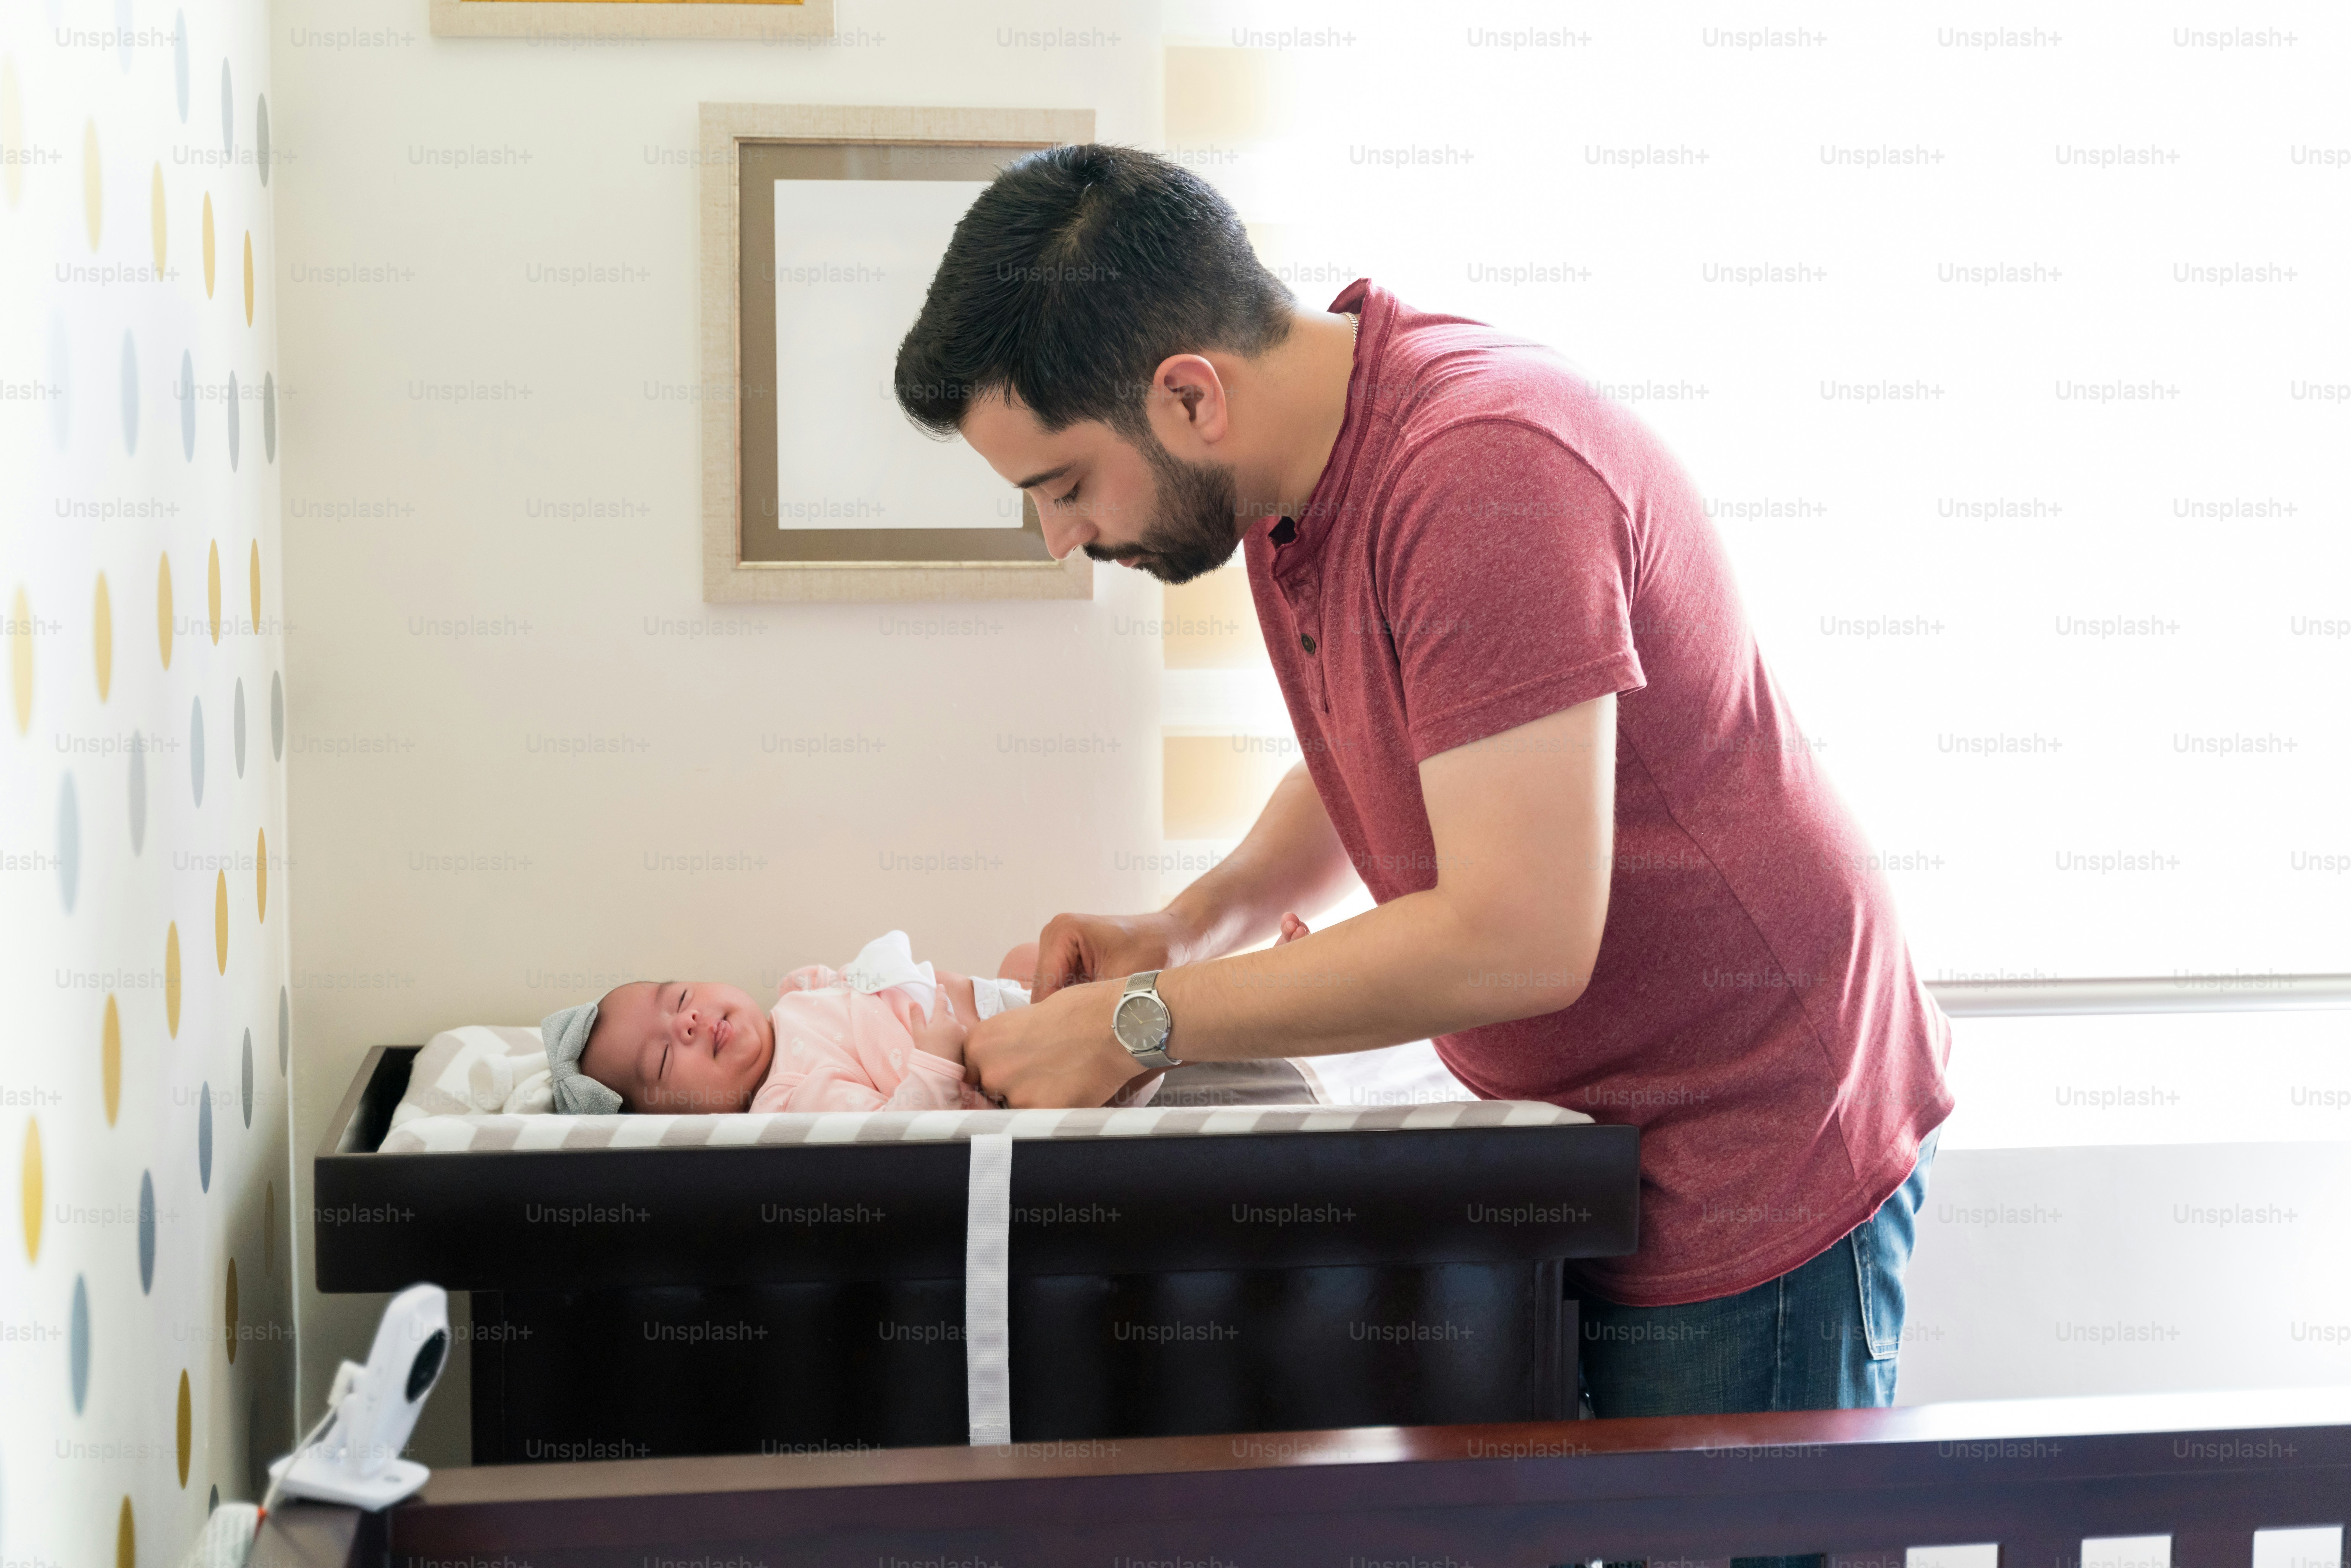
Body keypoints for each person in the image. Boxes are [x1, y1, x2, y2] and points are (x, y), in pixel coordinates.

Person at [892, 145, 1955, 1431]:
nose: (1060, 538)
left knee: (1712, 1526)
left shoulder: (1480, 473)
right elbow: (1394, 740)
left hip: (1747, 1129)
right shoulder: (1294, 477)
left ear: (1189, 397)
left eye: (1062, 487)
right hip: (1583, 1136)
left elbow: (1517, 938)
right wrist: (1187, 927)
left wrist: (1136, 1024)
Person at [536, 932, 1034, 1114]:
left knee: (1026, 958)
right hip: (999, 1061)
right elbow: (896, 1134)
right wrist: (937, 1059)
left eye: (682, 997)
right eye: (664, 1057)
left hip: (993, 1003)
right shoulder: (790, 1098)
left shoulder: (797, 996)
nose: (688, 1022)